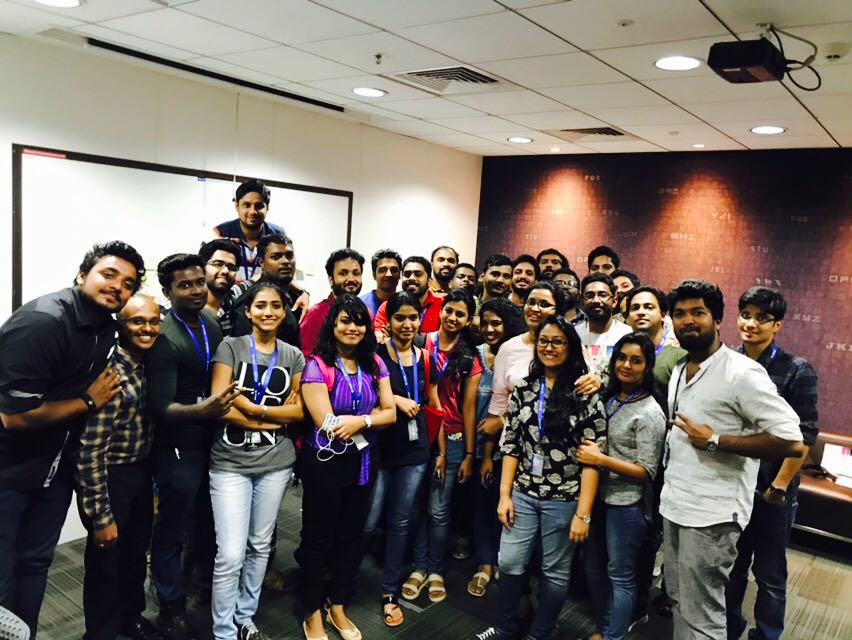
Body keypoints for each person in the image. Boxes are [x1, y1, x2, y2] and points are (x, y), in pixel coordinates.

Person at [0, 241, 144, 638]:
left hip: (53, 469)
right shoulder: (44, 322)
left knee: (34, 564)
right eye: (109, 274)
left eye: (128, 284)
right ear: (82, 275)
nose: (117, 286)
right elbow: (14, 416)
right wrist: (87, 401)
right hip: (8, 470)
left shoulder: (105, 328)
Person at [662, 279, 804, 639]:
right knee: (678, 598)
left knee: (703, 611)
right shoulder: (680, 368)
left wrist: (715, 441)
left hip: (712, 515)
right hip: (675, 504)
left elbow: (792, 440)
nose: (687, 320)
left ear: (717, 319)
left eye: (698, 312)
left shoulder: (742, 372)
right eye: (679, 313)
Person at [470, 316, 607, 640]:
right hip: (523, 493)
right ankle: (504, 628)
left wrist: (583, 514)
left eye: (558, 341)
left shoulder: (585, 393)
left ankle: (540, 633)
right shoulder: (524, 388)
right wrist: (504, 495)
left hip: (565, 497)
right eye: (544, 341)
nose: (549, 347)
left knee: (554, 572)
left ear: (571, 347)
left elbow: (592, 461)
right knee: (510, 562)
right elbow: (512, 445)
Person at [146, 253, 240, 640]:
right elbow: (160, 407)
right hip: (177, 445)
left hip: (210, 440)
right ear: (167, 291)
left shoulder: (211, 322)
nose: (197, 290)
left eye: (200, 282)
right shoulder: (164, 336)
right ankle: (169, 606)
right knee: (171, 527)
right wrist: (205, 409)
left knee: (207, 520)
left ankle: (202, 583)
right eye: (185, 285)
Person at [208, 283, 306, 640]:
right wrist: (270, 419)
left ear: (284, 312)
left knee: (260, 545)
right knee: (230, 554)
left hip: (276, 462)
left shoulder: (294, 356)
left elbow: (300, 411)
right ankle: (223, 631)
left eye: (276, 305)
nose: (268, 311)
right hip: (230, 463)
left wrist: (252, 408)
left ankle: (245, 617)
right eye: (260, 305)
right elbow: (220, 404)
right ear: (248, 311)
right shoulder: (230, 346)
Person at [297, 294, 396, 640]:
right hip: (325, 462)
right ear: (333, 325)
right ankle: (311, 611)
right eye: (345, 321)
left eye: (359, 322)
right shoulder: (317, 365)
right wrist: (369, 419)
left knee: (351, 536)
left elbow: (391, 413)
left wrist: (361, 421)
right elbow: (326, 423)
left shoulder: (375, 363)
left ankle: (336, 603)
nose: (352, 327)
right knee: (318, 538)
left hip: (363, 461)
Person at [726, 287, 819, 640]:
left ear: (777, 324)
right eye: (746, 315)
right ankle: (728, 628)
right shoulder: (727, 362)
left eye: (762, 318)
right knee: (732, 568)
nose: (751, 324)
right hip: (733, 486)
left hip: (772, 492)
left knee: (769, 575)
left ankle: (766, 635)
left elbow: (805, 436)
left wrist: (778, 486)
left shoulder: (796, 370)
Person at [74, 294, 163, 640]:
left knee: (135, 553)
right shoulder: (111, 375)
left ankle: (130, 617)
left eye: (153, 321)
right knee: (105, 562)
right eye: (138, 321)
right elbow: (91, 451)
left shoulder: (146, 363)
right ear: (121, 326)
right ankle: (100, 633)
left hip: (139, 471)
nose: (147, 328)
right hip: (111, 477)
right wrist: (100, 516)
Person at [578, 333, 667, 640]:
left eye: (636, 360)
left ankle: (614, 636)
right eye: (621, 358)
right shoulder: (609, 397)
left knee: (620, 575)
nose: (626, 365)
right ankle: (606, 629)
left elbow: (647, 471)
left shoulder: (650, 412)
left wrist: (601, 460)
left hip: (626, 505)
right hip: (597, 498)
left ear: (647, 366)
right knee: (593, 569)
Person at [362, 292, 439, 628]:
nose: (407, 324)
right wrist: (395, 398)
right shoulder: (375, 355)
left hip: (416, 449)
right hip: (381, 446)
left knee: (401, 521)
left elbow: (433, 402)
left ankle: (389, 591)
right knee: (369, 520)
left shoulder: (426, 357)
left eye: (412, 318)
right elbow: (366, 394)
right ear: (388, 322)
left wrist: (439, 450)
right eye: (400, 318)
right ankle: (340, 581)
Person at [404, 290, 482, 605]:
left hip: (452, 438)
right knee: (415, 506)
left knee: (438, 509)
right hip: (416, 434)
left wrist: (469, 454)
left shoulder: (470, 357)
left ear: (468, 319)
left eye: (460, 314)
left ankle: (434, 569)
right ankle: (419, 566)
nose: (452, 317)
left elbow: (469, 408)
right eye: (449, 310)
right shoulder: (420, 342)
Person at [466, 298, 525, 598]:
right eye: (485, 323)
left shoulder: (520, 355)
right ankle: (484, 563)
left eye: (496, 323)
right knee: (479, 505)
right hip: (478, 446)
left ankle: (503, 561)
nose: (489, 329)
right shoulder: (475, 355)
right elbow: (467, 405)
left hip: (510, 448)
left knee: (504, 506)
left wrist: (499, 423)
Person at [227, 234, 302, 349]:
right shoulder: (251, 302)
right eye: (276, 257)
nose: (285, 261)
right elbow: (245, 353)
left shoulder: (296, 297)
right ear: (261, 262)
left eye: (289, 256)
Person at [300, 248, 365, 357]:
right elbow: (305, 357)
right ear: (331, 279)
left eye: (356, 273)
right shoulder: (316, 314)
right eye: (343, 273)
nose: (351, 279)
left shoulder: (365, 313)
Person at [624, 286, 684, 389]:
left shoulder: (678, 354)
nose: (641, 312)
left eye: (649, 307)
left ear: (663, 315)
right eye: (635, 308)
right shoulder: (621, 353)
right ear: (627, 318)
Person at [575, 274, 632, 378]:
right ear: (582, 302)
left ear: (614, 301)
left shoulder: (627, 334)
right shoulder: (574, 334)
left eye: (603, 295)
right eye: (589, 295)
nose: (596, 300)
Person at [373, 256, 443, 337]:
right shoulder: (387, 305)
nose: (411, 278)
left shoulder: (442, 305)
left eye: (418, 274)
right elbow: (380, 337)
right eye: (407, 274)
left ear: (429, 281)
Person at [200, 239, 241, 335]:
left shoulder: (236, 298)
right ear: (202, 267)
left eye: (231, 267)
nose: (225, 271)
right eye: (218, 264)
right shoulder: (187, 307)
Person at [359, 249, 401, 318]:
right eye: (382, 270)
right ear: (374, 275)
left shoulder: (406, 305)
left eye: (394, 270)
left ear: (400, 274)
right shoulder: (360, 304)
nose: (389, 274)